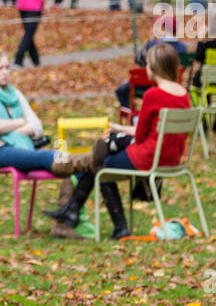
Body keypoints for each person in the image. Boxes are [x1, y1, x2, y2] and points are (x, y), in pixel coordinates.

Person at [48, 42, 191, 238]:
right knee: (104, 155)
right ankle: (71, 211)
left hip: (148, 157)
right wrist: (121, 128)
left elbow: (141, 137)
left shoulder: (153, 94)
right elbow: (151, 132)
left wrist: (122, 132)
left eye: (148, 63)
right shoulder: (184, 95)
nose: (146, 67)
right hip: (171, 158)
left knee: (101, 166)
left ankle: (118, 227)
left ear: (155, 67)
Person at [0, 49, 91, 177]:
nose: (5, 72)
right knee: (46, 157)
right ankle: (88, 159)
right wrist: (21, 122)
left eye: (7, 67)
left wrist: (10, 130)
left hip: (23, 147)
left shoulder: (15, 94)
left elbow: (37, 126)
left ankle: (84, 181)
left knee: (84, 171)